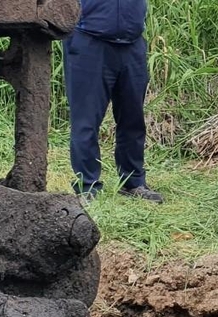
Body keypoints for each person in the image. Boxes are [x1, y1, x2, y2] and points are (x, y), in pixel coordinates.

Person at [63, 0, 163, 203]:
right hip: (89, 41)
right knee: (86, 121)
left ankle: (133, 182)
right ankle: (87, 186)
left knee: (133, 119)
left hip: (132, 42)